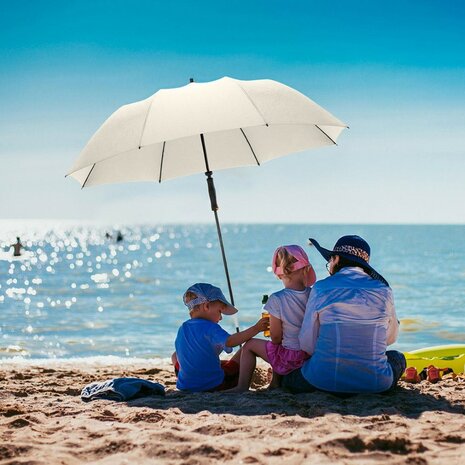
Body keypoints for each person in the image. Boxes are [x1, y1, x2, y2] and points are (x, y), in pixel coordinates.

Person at [282, 235, 406, 395]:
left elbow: (307, 343)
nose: (329, 266)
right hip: (374, 383)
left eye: (330, 261)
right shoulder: (384, 291)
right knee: (397, 358)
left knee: (288, 378)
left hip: (323, 381)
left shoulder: (321, 288)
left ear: (337, 258)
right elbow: (390, 339)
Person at [228, 245, 317, 392]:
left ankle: (242, 386)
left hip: (291, 358)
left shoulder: (277, 299)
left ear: (279, 274)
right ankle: (274, 383)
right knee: (280, 346)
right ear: (306, 269)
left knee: (250, 345)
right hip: (310, 355)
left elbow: (275, 337)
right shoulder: (314, 295)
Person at [172, 283, 269, 392]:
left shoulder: (183, 328)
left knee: (175, 355)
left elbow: (199, 353)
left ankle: (190, 380)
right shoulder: (210, 327)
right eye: (220, 311)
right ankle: (241, 387)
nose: (221, 318)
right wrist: (256, 328)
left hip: (186, 386)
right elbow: (230, 341)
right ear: (206, 306)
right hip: (214, 385)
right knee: (247, 346)